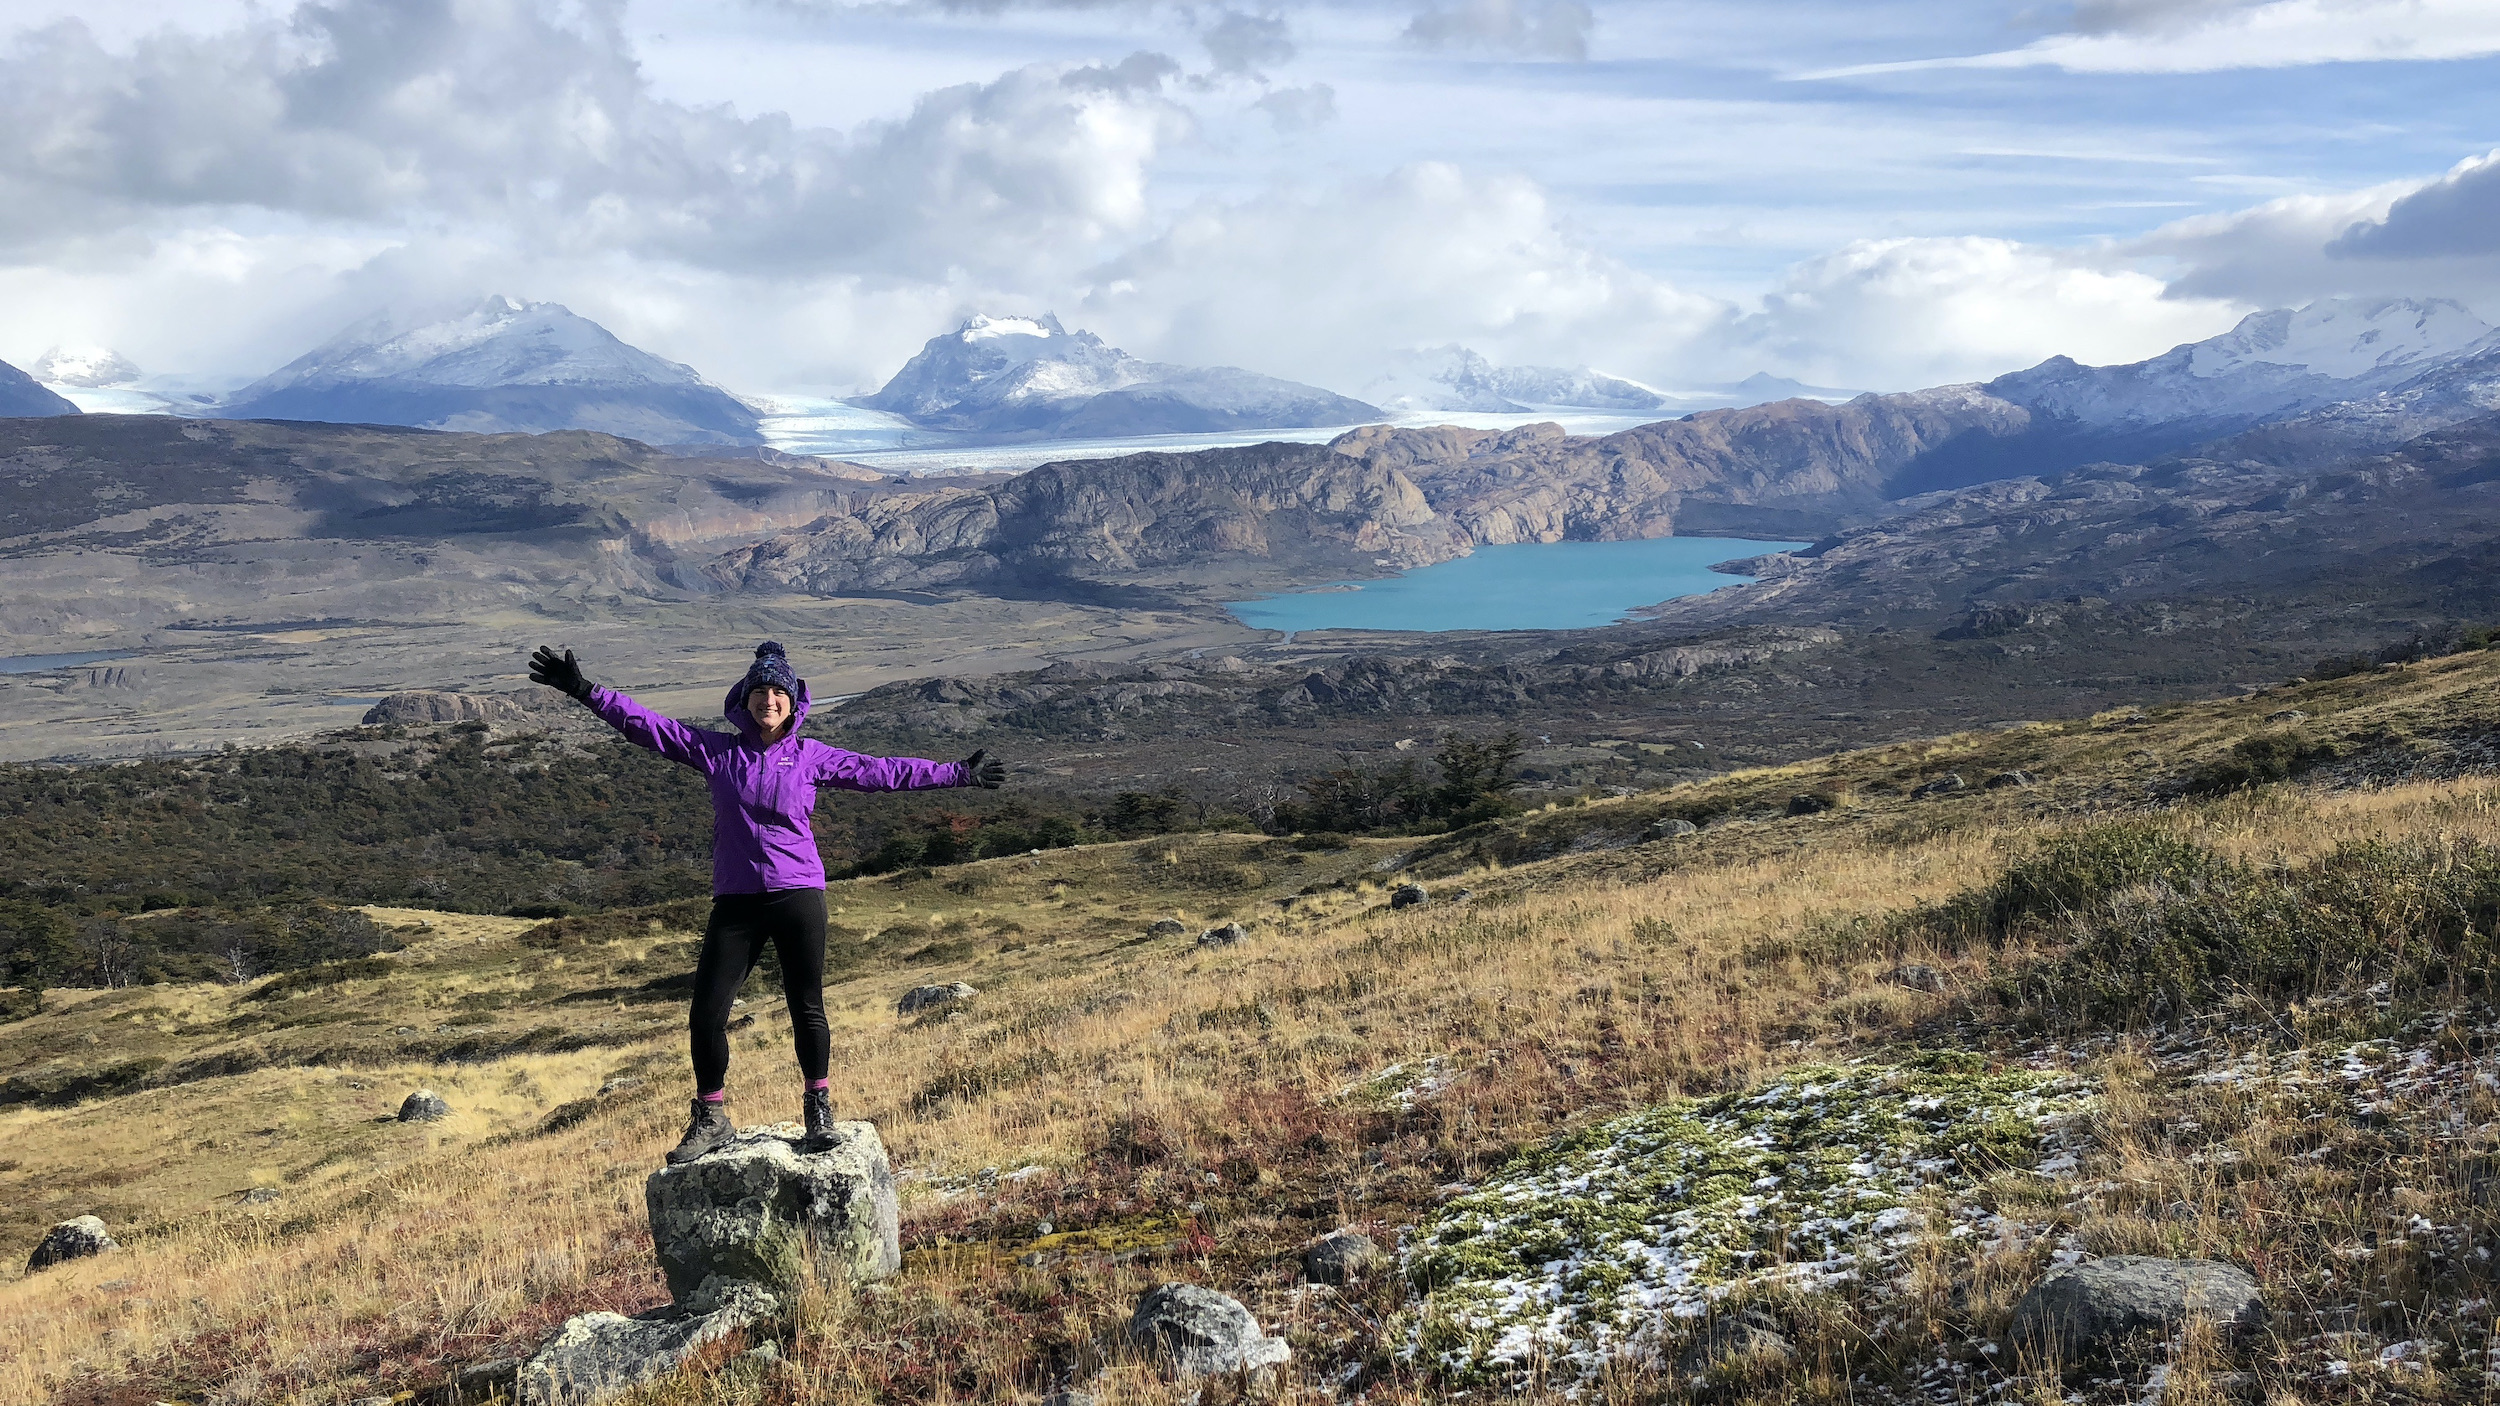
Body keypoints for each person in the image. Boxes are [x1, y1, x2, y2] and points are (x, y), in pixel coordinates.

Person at [529, 640, 1006, 1164]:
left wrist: (958, 773)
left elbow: (883, 772)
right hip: (736, 900)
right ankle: (711, 1117)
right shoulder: (717, 752)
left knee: (806, 1005)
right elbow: (649, 726)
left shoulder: (811, 756)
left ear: (794, 700)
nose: (769, 699)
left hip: (798, 893)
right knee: (707, 1011)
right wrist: (583, 690)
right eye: (760, 690)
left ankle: (818, 1110)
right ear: (744, 698)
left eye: (779, 691)